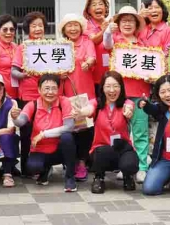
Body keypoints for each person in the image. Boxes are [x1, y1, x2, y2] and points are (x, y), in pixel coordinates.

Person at [102, 6, 151, 182]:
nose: (127, 24)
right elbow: (106, 42)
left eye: (131, 21)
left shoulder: (144, 45)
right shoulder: (115, 41)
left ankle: (142, 166)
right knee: (121, 132)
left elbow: (152, 67)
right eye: (124, 21)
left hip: (140, 94)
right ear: (118, 23)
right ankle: (124, 166)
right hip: (118, 95)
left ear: (136, 24)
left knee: (140, 132)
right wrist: (108, 30)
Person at [14, 74, 78, 192]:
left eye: (54, 88)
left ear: (58, 90)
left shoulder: (64, 102)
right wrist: (14, 117)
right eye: (46, 88)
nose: (50, 92)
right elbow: (20, 122)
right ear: (39, 90)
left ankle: (70, 177)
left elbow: (69, 127)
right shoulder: (32, 105)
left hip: (59, 149)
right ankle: (45, 169)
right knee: (33, 167)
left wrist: (44, 134)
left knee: (67, 137)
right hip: (40, 149)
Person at [82, 71, 139, 193]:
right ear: (102, 88)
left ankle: (127, 176)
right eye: (108, 86)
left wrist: (128, 112)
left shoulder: (126, 103)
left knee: (130, 163)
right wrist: (84, 111)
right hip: (101, 149)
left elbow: (129, 107)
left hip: (122, 148)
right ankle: (99, 177)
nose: (112, 90)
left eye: (116, 86)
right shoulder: (97, 103)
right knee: (102, 152)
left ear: (121, 88)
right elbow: (89, 108)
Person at [58, 13, 96, 181]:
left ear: (81, 28)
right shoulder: (60, 45)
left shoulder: (87, 42)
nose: (73, 29)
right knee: (69, 127)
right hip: (65, 92)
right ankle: (70, 161)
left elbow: (92, 57)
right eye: (69, 26)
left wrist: (88, 62)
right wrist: (59, 74)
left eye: (76, 25)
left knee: (85, 128)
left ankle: (82, 161)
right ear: (64, 29)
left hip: (84, 92)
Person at [11, 11, 46, 175]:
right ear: (28, 29)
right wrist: (24, 75)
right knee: (26, 133)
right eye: (34, 26)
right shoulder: (23, 47)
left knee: (44, 130)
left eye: (40, 25)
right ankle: (25, 167)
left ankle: (42, 165)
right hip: (27, 96)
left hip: (47, 96)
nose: (38, 29)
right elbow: (14, 71)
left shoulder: (51, 46)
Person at [83, 0, 111, 93]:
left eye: (101, 4)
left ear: (105, 8)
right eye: (94, 5)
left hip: (111, 74)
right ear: (88, 10)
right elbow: (94, 40)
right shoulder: (85, 26)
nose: (98, 7)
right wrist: (104, 30)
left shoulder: (110, 24)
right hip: (94, 76)